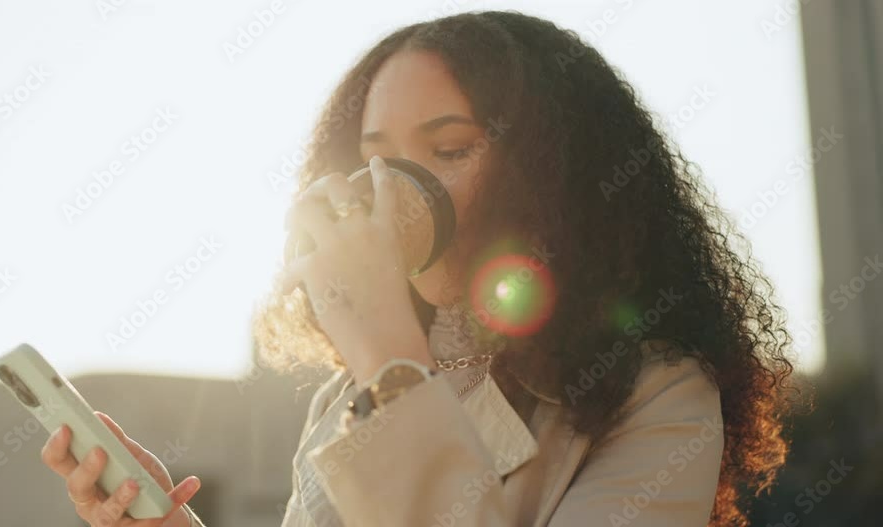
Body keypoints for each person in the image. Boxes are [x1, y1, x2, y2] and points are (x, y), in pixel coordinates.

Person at [40, 10, 797, 526]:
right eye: (376, 160)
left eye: (450, 149)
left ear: (553, 178)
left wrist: (390, 360)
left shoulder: (659, 392)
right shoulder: (347, 397)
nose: (394, 190)